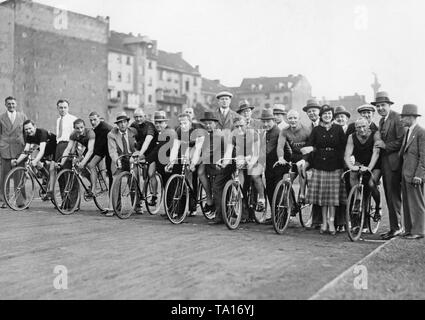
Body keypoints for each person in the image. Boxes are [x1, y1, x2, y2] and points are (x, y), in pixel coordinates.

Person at [305, 105, 347, 235]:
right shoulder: (316, 130)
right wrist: (306, 160)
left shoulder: (338, 129)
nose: (327, 116)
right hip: (319, 165)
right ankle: (323, 222)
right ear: (321, 116)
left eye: (329, 114)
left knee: (333, 197)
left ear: (332, 115)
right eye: (325, 114)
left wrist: (345, 166)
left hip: (336, 165)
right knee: (323, 196)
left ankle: (331, 222)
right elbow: (309, 146)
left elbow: (344, 147)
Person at [373, 92, 405, 240]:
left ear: (389, 105)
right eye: (378, 106)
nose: (380, 108)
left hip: (394, 164)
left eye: (382, 105)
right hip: (386, 163)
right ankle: (395, 227)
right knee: (389, 196)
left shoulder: (397, 118)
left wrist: (385, 145)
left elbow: (402, 140)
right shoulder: (382, 121)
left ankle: (397, 228)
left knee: (393, 196)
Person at [222, 117, 265, 223]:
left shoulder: (253, 134)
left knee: (255, 175)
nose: (239, 128)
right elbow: (229, 151)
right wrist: (224, 162)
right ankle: (240, 196)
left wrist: (250, 162)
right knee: (240, 177)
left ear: (246, 125)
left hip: (256, 156)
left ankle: (262, 198)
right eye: (237, 126)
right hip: (242, 157)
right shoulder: (233, 135)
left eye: (241, 126)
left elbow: (256, 153)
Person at [344, 118, 382, 223]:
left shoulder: (375, 134)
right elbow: (347, 155)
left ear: (368, 126)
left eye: (363, 126)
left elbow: (376, 153)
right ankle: (357, 198)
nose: (361, 129)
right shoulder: (351, 137)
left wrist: (369, 168)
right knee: (352, 175)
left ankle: (378, 208)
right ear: (355, 128)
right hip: (360, 162)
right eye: (358, 127)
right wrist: (351, 167)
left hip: (375, 164)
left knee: (371, 183)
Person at [167, 113, 204, 214]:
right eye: (180, 123)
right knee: (180, 169)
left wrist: (193, 163)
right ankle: (179, 209)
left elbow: (198, 148)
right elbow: (175, 148)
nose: (182, 125)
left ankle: (193, 206)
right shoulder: (179, 130)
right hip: (187, 148)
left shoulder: (197, 129)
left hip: (200, 149)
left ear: (190, 122)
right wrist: (171, 162)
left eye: (185, 123)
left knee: (192, 175)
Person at [199, 111, 232, 223]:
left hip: (223, 166)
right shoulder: (211, 134)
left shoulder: (217, 135)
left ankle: (220, 217)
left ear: (215, 123)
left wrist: (194, 162)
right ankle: (221, 211)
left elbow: (207, 153)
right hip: (216, 166)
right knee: (216, 187)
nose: (208, 125)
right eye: (206, 123)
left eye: (210, 123)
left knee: (217, 189)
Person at [12, 120, 57, 200]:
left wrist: (35, 161)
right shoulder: (29, 136)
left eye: (30, 128)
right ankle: (46, 177)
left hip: (55, 148)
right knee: (34, 158)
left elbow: (42, 151)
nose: (28, 131)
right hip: (46, 148)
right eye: (26, 129)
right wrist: (17, 161)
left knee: (38, 161)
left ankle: (49, 182)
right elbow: (26, 151)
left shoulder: (41, 132)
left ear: (35, 127)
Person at [399, 104, 425, 240]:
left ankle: (419, 231)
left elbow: (423, 157)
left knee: (417, 203)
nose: (402, 120)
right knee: (408, 202)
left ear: (411, 117)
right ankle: (409, 229)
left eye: (403, 117)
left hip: (414, 175)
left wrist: (419, 175)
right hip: (406, 173)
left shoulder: (421, 132)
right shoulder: (408, 131)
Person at [108, 112, 139, 216]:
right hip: (120, 159)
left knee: (134, 181)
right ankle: (114, 208)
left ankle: (137, 206)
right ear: (117, 124)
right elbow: (112, 151)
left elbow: (138, 147)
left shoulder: (133, 132)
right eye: (120, 122)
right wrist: (117, 160)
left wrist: (135, 156)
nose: (122, 124)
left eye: (124, 122)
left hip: (131, 158)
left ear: (127, 123)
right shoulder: (112, 134)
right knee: (116, 182)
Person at [277, 110, 310, 203]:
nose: (293, 120)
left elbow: (311, 147)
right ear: (287, 120)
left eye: (295, 118)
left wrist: (304, 159)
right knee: (286, 180)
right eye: (290, 118)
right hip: (294, 157)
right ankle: (291, 206)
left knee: (301, 167)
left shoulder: (306, 130)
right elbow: (280, 146)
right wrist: (280, 157)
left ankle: (302, 193)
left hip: (306, 157)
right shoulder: (284, 131)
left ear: (299, 119)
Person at [0, 97, 28, 208]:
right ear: (5, 105)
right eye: (9, 104)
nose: (11, 105)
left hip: (19, 150)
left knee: (19, 176)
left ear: (16, 104)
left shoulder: (22, 116)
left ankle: (20, 201)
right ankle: (3, 200)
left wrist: (26, 149)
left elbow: (27, 133)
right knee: (4, 177)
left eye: (13, 104)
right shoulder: (1, 117)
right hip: (5, 149)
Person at [131, 109, 159, 206]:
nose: (138, 119)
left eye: (140, 116)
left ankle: (154, 196)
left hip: (153, 151)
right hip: (141, 151)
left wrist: (140, 153)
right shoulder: (133, 125)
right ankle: (138, 193)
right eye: (136, 117)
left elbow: (147, 141)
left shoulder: (150, 126)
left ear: (145, 116)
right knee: (138, 172)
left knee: (151, 174)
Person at [59, 119, 96, 196]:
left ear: (84, 126)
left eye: (82, 127)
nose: (80, 130)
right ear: (74, 128)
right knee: (81, 168)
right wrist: (62, 163)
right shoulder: (73, 134)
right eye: (77, 128)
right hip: (86, 149)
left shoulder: (90, 133)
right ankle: (91, 183)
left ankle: (94, 187)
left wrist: (82, 162)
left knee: (89, 165)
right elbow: (68, 148)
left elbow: (90, 151)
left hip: (95, 148)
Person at [260, 109, 287, 208]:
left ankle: (281, 217)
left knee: (277, 192)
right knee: (270, 191)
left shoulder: (277, 131)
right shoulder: (265, 132)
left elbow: (267, 149)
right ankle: (274, 216)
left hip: (280, 165)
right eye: (264, 121)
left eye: (268, 121)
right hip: (270, 166)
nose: (266, 124)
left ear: (274, 121)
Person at [302, 99, 322, 228]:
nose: (312, 113)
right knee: (303, 170)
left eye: (314, 111)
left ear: (319, 111)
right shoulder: (308, 128)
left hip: (327, 160)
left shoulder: (326, 123)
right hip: (313, 160)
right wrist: (305, 160)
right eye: (309, 112)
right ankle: (302, 195)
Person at [88, 112, 113, 196]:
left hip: (111, 152)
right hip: (104, 150)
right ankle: (94, 188)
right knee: (91, 165)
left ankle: (114, 203)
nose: (93, 122)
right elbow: (97, 146)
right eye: (91, 120)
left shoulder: (104, 128)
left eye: (95, 120)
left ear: (99, 118)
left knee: (111, 175)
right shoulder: (96, 128)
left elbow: (99, 146)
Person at [154, 111, 175, 187]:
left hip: (171, 163)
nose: (157, 125)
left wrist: (147, 159)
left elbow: (157, 149)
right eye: (156, 123)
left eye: (160, 122)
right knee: (165, 185)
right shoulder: (160, 133)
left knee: (170, 187)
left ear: (165, 122)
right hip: (164, 164)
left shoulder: (168, 132)